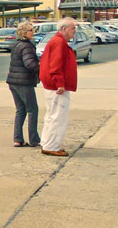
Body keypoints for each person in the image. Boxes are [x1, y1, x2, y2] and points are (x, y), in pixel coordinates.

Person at [39, 17, 78, 156]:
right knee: (58, 116)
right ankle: (51, 146)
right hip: (56, 86)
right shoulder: (59, 43)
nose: (75, 31)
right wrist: (60, 83)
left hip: (52, 85)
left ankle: (47, 142)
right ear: (64, 29)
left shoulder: (56, 41)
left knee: (51, 115)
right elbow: (55, 65)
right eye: (73, 28)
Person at [6, 21, 40, 147]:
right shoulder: (26, 46)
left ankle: (18, 139)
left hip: (13, 81)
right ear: (24, 33)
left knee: (20, 110)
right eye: (31, 30)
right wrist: (40, 66)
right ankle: (34, 139)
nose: (33, 32)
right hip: (24, 82)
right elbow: (29, 64)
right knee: (32, 110)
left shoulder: (16, 45)